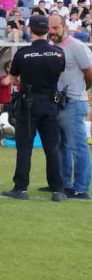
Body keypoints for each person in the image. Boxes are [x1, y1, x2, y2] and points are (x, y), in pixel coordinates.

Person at [2, 16, 67, 202]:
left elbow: (13, 79)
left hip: (28, 104)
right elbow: (59, 73)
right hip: (50, 103)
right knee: (52, 148)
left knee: (24, 147)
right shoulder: (58, 53)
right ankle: (58, 190)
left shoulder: (23, 54)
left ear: (30, 29)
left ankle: (20, 188)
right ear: (48, 30)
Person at [48, 13, 92, 199]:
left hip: (73, 101)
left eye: (55, 28)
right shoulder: (52, 47)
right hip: (58, 102)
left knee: (77, 146)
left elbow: (89, 73)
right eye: (49, 28)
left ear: (65, 27)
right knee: (60, 146)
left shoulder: (77, 46)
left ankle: (81, 188)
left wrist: (80, 90)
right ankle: (63, 184)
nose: (52, 32)